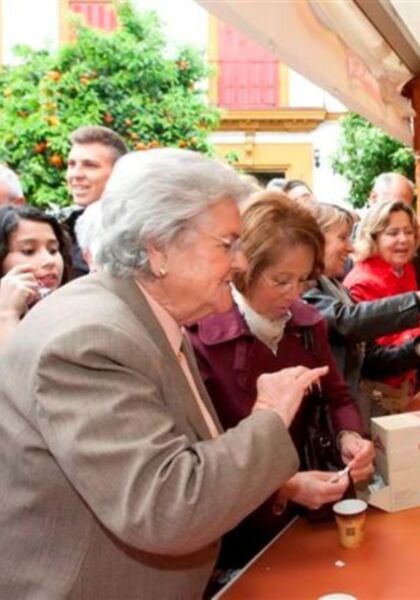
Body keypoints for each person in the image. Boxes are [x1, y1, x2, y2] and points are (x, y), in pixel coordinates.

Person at [0, 149, 327, 598]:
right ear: (159, 248)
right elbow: (167, 507)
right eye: (227, 243)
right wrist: (269, 415)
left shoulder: (143, 316)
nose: (241, 263)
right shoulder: (92, 339)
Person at [188, 191, 375, 570]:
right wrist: (284, 484)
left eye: (303, 280)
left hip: (303, 519)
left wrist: (349, 437)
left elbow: (337, 397)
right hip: (230, 528)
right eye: (280, 280)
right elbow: (201, 449)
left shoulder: (308, 325)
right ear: (243, 267)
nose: (293, 294)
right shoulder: (199, 337)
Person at [304, 202, 420, 426]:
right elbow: (347, 322)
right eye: (342, 238)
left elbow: (372, 357)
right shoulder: (311, 287)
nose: (350, 248)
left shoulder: (336, 285)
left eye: (409, 232)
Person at [343, 199, 420, 411]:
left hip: (405, 387)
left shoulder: (405, 269)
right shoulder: (362, 282)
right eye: (393, 233)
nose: (403, 239)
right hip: (378, 394)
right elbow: (377, 359)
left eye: (408, 232)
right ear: (373, 237)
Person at [61, 125, 128, 276]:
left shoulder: (131, 235)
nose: (76, 174)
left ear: (119, 172)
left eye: (90, 165)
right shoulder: (64, 230)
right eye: (71, 164)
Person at [0, 205, 71, 347]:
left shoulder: (74, 311)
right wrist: (7, 315)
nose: (49, 261)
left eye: (53, 250)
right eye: (29, 251)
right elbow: (14, 367)